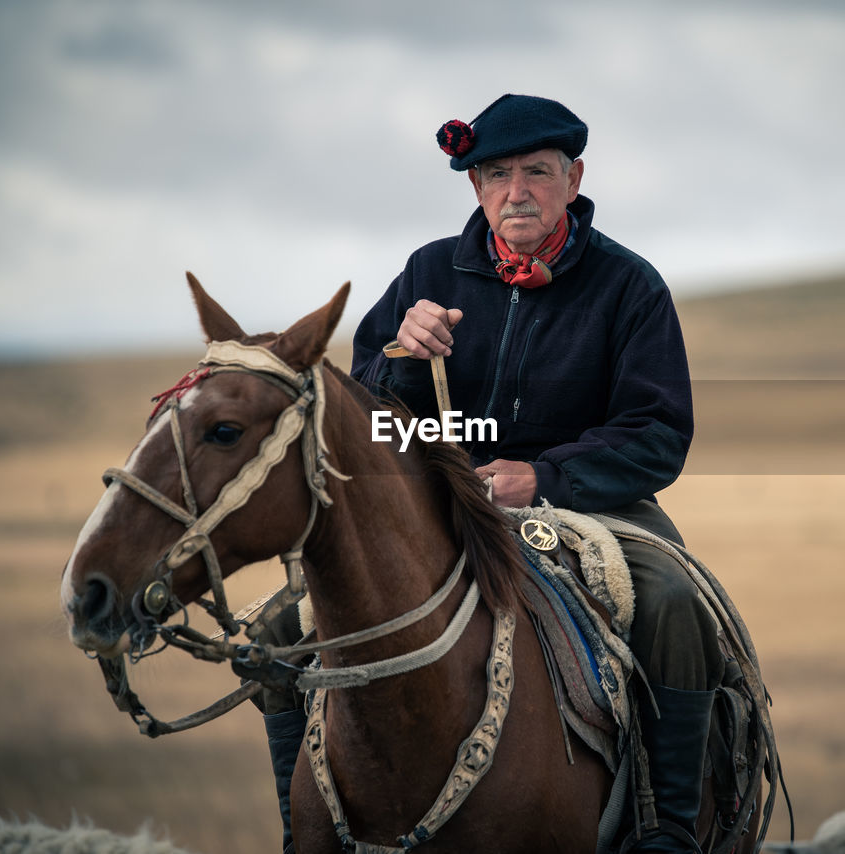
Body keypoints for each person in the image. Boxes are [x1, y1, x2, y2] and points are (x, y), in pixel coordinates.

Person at [260, 94, 724, 854]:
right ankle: (301, 827)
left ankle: (669, 827)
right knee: (286, 622)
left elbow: (657, 435)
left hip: (592, 508)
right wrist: (402, 361)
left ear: (573, 179)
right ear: (475, 187)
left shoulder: (629, 287)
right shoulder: (428, 271)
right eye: (497, 173)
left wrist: (544, 478)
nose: (517, 191)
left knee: (673, 601)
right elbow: (368, 416)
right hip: (442, 504)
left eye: (537, 172)